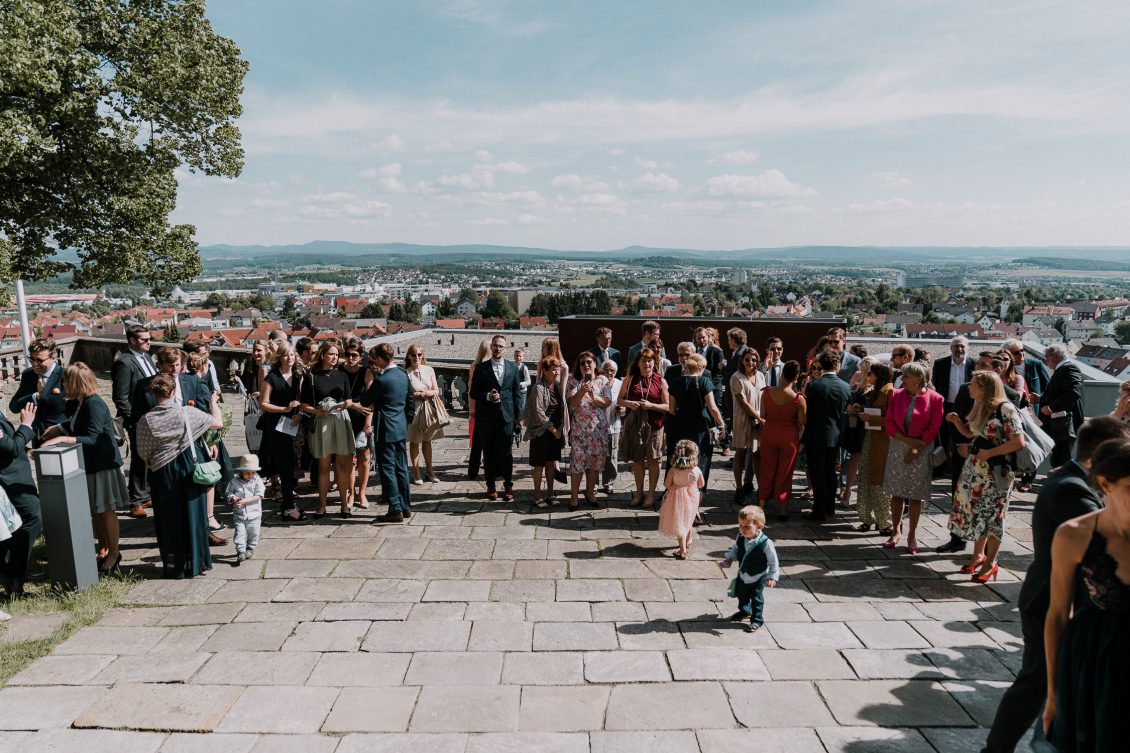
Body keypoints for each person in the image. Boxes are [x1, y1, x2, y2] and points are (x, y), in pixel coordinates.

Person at [980, 417, 1130, 753]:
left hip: (1062, 600)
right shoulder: (1071, 490)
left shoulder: (1069, 479)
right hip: (1050, 602)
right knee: (1036, 684)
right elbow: (1099, 541)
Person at [1043, 437, 1130, 751]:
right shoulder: (1074, 535)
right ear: (1106, 484)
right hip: (1095, 667)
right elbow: (1056, 616)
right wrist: (1053, 695)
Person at [41, 363, 129, 574]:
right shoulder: (82, 402)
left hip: (103, 465)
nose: (61, 384)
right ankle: (104, 548)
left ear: (74, 383)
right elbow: (77, 423)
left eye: (64, 380)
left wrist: (63, 438)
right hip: (92, 465)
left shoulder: (94, 403)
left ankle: (115, 552)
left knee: (106, 510)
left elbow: (93, 437)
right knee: (95, 510)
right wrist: (59, 428)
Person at [135, 372, 223, 579]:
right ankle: (197, 563)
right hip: (188, 466)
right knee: (194, 515)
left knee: (169, 519)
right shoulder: (187, 413)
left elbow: (143, 452)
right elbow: (217, 423)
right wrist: (213, 402)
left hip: (162, 471)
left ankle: (175, 566)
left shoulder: (146, 420)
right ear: (174, 390)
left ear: (154, 394)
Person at [946, 371, 1027, 583]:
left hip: (995, 473)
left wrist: (989, 454)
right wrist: (956, 423)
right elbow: (972, 434)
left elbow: (1018, 441)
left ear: (984, 388)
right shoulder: (981, 406)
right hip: (975, 471)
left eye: (973, 385)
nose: (968, 388)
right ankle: (978, 556)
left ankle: (991, 562)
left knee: (994, 516)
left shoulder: (1005, 408)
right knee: (978, 514)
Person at [882, 361, 943, 554]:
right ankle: (895, 530)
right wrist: (906, 440)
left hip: (922, 448)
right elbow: (889, 421)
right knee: (897, 492)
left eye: (906, 376)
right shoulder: (896, 394)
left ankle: (912, 535)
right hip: (899, 447)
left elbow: (933, 428)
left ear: (918, 380)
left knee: (916, 495)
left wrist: (916, 447)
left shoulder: (936, 399)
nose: (902, 379)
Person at [300, 341, 357, 518]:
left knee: (341, 465)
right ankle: (322, 505)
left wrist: (343, 405)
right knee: (323, 466)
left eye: (337, 355)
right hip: (322, 421)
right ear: (323, 355)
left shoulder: (342, 376)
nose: (334, 358)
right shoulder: (312, 376)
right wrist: (318, 411)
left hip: (340, 420)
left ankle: (344, 505)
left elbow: (349, 400)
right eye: (331, 354)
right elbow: (303, 404)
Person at [361, 343, 416, 523]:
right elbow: (410, 400)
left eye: (375, 359)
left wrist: (374, 377)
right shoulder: (402, 374)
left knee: (387, 469)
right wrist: (405, 420)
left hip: (385, 428)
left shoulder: (382, 379)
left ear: (381, 359)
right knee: (401, 467)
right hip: (400, 427)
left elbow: (365, 400)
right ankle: (405, 506)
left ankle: (395, 508)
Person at [112, 324, 157, 518]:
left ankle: (146, 494)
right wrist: (134, 419)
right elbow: (120, 396)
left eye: (149, 339)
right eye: (144, 340)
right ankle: (135, 501)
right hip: (138, 419)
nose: (149, 342)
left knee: (150, 458)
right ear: (132, 340)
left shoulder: (146, 357)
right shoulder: (124, 362)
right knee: (139, 460)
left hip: (153, 415)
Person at [470, 335, 522, 502]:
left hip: (506, 417)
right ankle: (490, 485)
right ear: (490, 347)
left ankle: (508, 485)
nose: (497, 349)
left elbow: (517, 394)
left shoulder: (512, 368)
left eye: (501, 346)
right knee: (489, 453)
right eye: (495, 346)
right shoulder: (481, 368)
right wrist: (487, 396)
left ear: (505, 349)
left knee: (507, 453)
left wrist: (519, 418)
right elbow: (473, 393)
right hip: (486, 417)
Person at [618, 347, 671, 509]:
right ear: (638, 362)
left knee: (654, 460)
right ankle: (639, 493)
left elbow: (668, 406)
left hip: (655, 426)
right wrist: (629, 404)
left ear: (654, 362)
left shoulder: (660, 380)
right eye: (643, 360)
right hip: (635, 426)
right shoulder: (630, 378)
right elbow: (619, 400)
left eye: (649, 360)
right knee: (638, 459)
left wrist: (651, 405)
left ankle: (651, 494)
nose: (646, 363)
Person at [666, 349, 725, 492]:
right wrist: (721, 424)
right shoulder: (705, 381)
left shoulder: (675, 382)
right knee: (700, 462)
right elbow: (712, 407)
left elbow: (672, 409)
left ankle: (674, 493)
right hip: (700, 428)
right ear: (702, 367)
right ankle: (695, 500)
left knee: (678, 459)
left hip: (679, 426)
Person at [258, 344, 306, 521]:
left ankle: (289, 501)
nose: (289, 358)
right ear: (279, 357)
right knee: (285, 465)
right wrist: (285, 410)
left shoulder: (300, 376)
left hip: (296, 424)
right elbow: (263, 404)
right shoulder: (272, 377)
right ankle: (287, 506)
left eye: (292, 354)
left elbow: (305, 400)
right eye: (286, 355)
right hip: (277, 425)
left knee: (295, 464)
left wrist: (300, 414)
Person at [803, 349, 851, 522]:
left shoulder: (814, 386)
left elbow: (807, 412)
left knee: (817, 474)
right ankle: (830, 507)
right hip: (836, 435)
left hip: (815, 435)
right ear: (837, 365)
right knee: (831, 473)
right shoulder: (845, 387)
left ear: (821, 365)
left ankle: (819, 510)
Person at [0, 393, 41, 598]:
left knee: (15, 525)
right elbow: (10, 448)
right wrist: (26, 426)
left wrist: (27, 449)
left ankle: (12, 575)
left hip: (15, 476)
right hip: (9, 480)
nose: (1, 382)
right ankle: (13, 577)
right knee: (32, 519)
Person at [757, 360, 806, 521]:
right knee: (785, 473)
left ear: (782, 373)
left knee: (767, 469)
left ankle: (762, 505)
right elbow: (802, 422)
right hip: (789, 436)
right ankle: (783, 509)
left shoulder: (767, 392)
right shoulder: (799, 398)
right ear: (796, 377)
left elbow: (763, 416)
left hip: (769, 433)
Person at [721, 505, 780, 633]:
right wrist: (729, 559)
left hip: (758, 576)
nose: (742, 529)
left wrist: (772, 576)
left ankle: (757, 620)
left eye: (747, 527)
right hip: (743, 574)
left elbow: (773, 562)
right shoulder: (740, 537)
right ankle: (745, 611)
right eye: (740, 526)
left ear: (759, 526)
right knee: (741, 595)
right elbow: (735, 549)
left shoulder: (766, 543)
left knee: (756, 599)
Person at [566, 352, 612, 511]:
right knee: (577, 463)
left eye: (589, 362)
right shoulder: (573, 381)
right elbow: (572, 403)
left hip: (598, 431)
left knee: (594, 463)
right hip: (579, 430)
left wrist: (593, 395)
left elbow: (606, 402)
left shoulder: (603, 380)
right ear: (578, 366)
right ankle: (574, 497)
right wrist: (581, 391)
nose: (586, 365)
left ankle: (590, 493)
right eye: (582, 363)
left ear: (595, 364)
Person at [854, 362, 894, 535]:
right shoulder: (879, 389)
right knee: (866, 478)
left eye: (870, 373)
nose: (867, 376)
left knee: (878, 481)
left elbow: (891, 419)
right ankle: (868, 518)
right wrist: (862, 409)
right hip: (872, 438)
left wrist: (869, 417)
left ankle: (884, 521)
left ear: (879, 374)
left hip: (882, 441)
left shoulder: (889, 391)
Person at [524, 356, 565, 509]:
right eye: (553, 369)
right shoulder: (538, 388)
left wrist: (560, 427)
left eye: (558, 369)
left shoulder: (559, 386)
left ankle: (551, 493)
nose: (556, 372)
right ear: (545, 371)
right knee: (538, 465)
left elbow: (563, 408)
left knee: (551, 464)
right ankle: (537, 495)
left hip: (555, 432)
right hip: (541, 431)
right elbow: (538, 411)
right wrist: (552, 429)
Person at [9, 338, 67, 444]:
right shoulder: (28, 375)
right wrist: (33, 398)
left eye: (40, 360)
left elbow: (79, 412)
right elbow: (14, 406)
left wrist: (61, 428)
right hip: (37, 439)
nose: (34, 364)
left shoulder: (66, 376)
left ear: (53, 357)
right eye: (31, 359)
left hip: (62, 438)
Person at [340, 337, 374, 504]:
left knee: (364, 457)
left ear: (361, 356)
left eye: (354, 355)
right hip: (344, 419)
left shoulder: (366, 372)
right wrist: (353, 405)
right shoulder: (339, 370)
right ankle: (351, 492)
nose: (351, 358)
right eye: (348, 354)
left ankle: (362, 493)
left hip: (362, 419)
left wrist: (368, 423)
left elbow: (371, 400)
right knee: (348, 459)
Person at [1040, 343, 1084, 468]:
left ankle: (1063, 483)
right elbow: (1060, 392)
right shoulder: (1063, 369)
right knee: (1058, 457)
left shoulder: (1069, 368)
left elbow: (1073, 393)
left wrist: (1050, 408)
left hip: (1064, 424)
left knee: (1061, 458)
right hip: (1060, 424)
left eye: (1046, 357)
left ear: (1054, 357)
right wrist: (1041, 399)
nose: (1046, 360)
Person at [658, 439, 705, 559]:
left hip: (677, 498)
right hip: (693, 497)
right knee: (688, 518)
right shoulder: (696, 470)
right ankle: (688, 540)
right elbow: (701, 485)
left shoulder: (673, 470)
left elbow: (667, 485)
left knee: (680, 522)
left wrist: (676, 485)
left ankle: (682, 550)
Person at [933, 336, 975, 468]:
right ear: (951, 348)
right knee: (943, 437)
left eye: (962, 346)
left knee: (965, 437)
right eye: (956, 346)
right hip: (946, 406)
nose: (959, 349)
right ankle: (940, 467)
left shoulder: (974, 364)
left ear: (967, 348)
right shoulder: (940, 363)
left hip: (967, 408)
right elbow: (935, 383)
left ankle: (964, 467)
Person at [730, 347, 764, 505]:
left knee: (757, 454)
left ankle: (760, 488)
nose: (751, 362)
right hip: (743, 420)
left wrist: (762, 418)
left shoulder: (761, 376)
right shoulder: (737, 378)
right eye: (748, 359)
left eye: (754, 359)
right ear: (742, 360)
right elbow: (742, 403)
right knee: (741, 453)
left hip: (758, 422)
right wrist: (759, 417)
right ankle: (739, 489)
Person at [838, 356, 873, 505]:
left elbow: (849, 396)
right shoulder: (871, 381)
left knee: (855, 459)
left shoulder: (858, 377)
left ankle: (848, 493)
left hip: (858, 424)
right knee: (861, 460)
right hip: (864, 425)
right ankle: (854, 495)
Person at [405, 344, 442, 484]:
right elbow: (404, 393)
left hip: (429, 410)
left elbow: (436, 390)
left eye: (419, 354)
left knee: (428, 441)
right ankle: (416, 472)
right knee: (414, 442)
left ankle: (429, 470)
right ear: (409, 356)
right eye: (414, 354)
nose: (417, 357)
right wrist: (415, 395)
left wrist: (427, 393)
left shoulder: (429, 370)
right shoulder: (405, 373)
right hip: (414, 411)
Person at [226, 454, 265, 564]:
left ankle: (250, 548)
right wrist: (233, 498)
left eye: (253, 472)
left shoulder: (257, 480)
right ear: (241, 471)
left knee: (253, 533)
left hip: (255, 514)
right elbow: (229, 492)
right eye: (247, 472)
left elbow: (259, 495)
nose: (250, 475)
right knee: (239, 533)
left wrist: (245, 501)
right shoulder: (234, 481)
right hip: (239, 513)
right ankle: (241, 551)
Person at [721, 327, 750, 456]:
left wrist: (723, 368)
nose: (728, 342)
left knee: (738, 427)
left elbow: (732, 377)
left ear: (734, 340)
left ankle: (740, 456)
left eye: (729, 339)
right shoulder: (743, 351)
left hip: (736, 396)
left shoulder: (740, 354)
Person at [466, 338, 491, 480]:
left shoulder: (474, 366)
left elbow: (470, 390)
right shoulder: (487, 367)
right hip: (485, 407)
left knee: (475, 441)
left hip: (475, 406)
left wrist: (471, 409)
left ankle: (474, 468)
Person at [601, 360, 623, 495]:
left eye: (612, 371)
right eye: (606, 370)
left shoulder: (620, 385)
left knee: (612, 456)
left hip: (614, 424)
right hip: (597, 426)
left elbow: (624, 403)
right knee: (597, 456)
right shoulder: (597, 383)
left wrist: (623, 409)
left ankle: (609, 483)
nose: (609, 373)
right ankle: (594, 484)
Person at [513, 348, 531, 440]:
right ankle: (514, 428)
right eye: (516, 356)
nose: (518, 358)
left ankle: (519, 429)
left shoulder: (524, 368)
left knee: (520, 410)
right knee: (513, 409)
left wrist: (522, 384)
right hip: (513, 391)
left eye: (520, 356)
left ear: (523, 357)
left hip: (522, 392)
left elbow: (529, 381)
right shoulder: (512, 366)